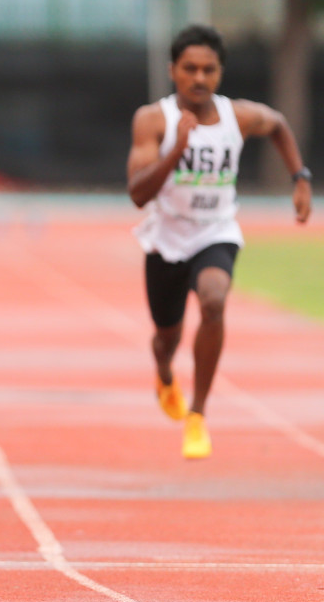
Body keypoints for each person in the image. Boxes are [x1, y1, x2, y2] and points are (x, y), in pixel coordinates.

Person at [127, 24, 311, 459]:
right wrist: (177, 149)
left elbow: (279, 124)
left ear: (220, 73)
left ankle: (198, 413)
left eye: (208, 69)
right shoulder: (154, 120)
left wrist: (300, 178)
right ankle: (164, 371)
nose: (199, 78)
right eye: (190, 68)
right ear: (173, 70)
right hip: (167, 237)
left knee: (213, 300)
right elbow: (137, 194)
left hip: (215, 230)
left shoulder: (239, 116)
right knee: (165, 337)